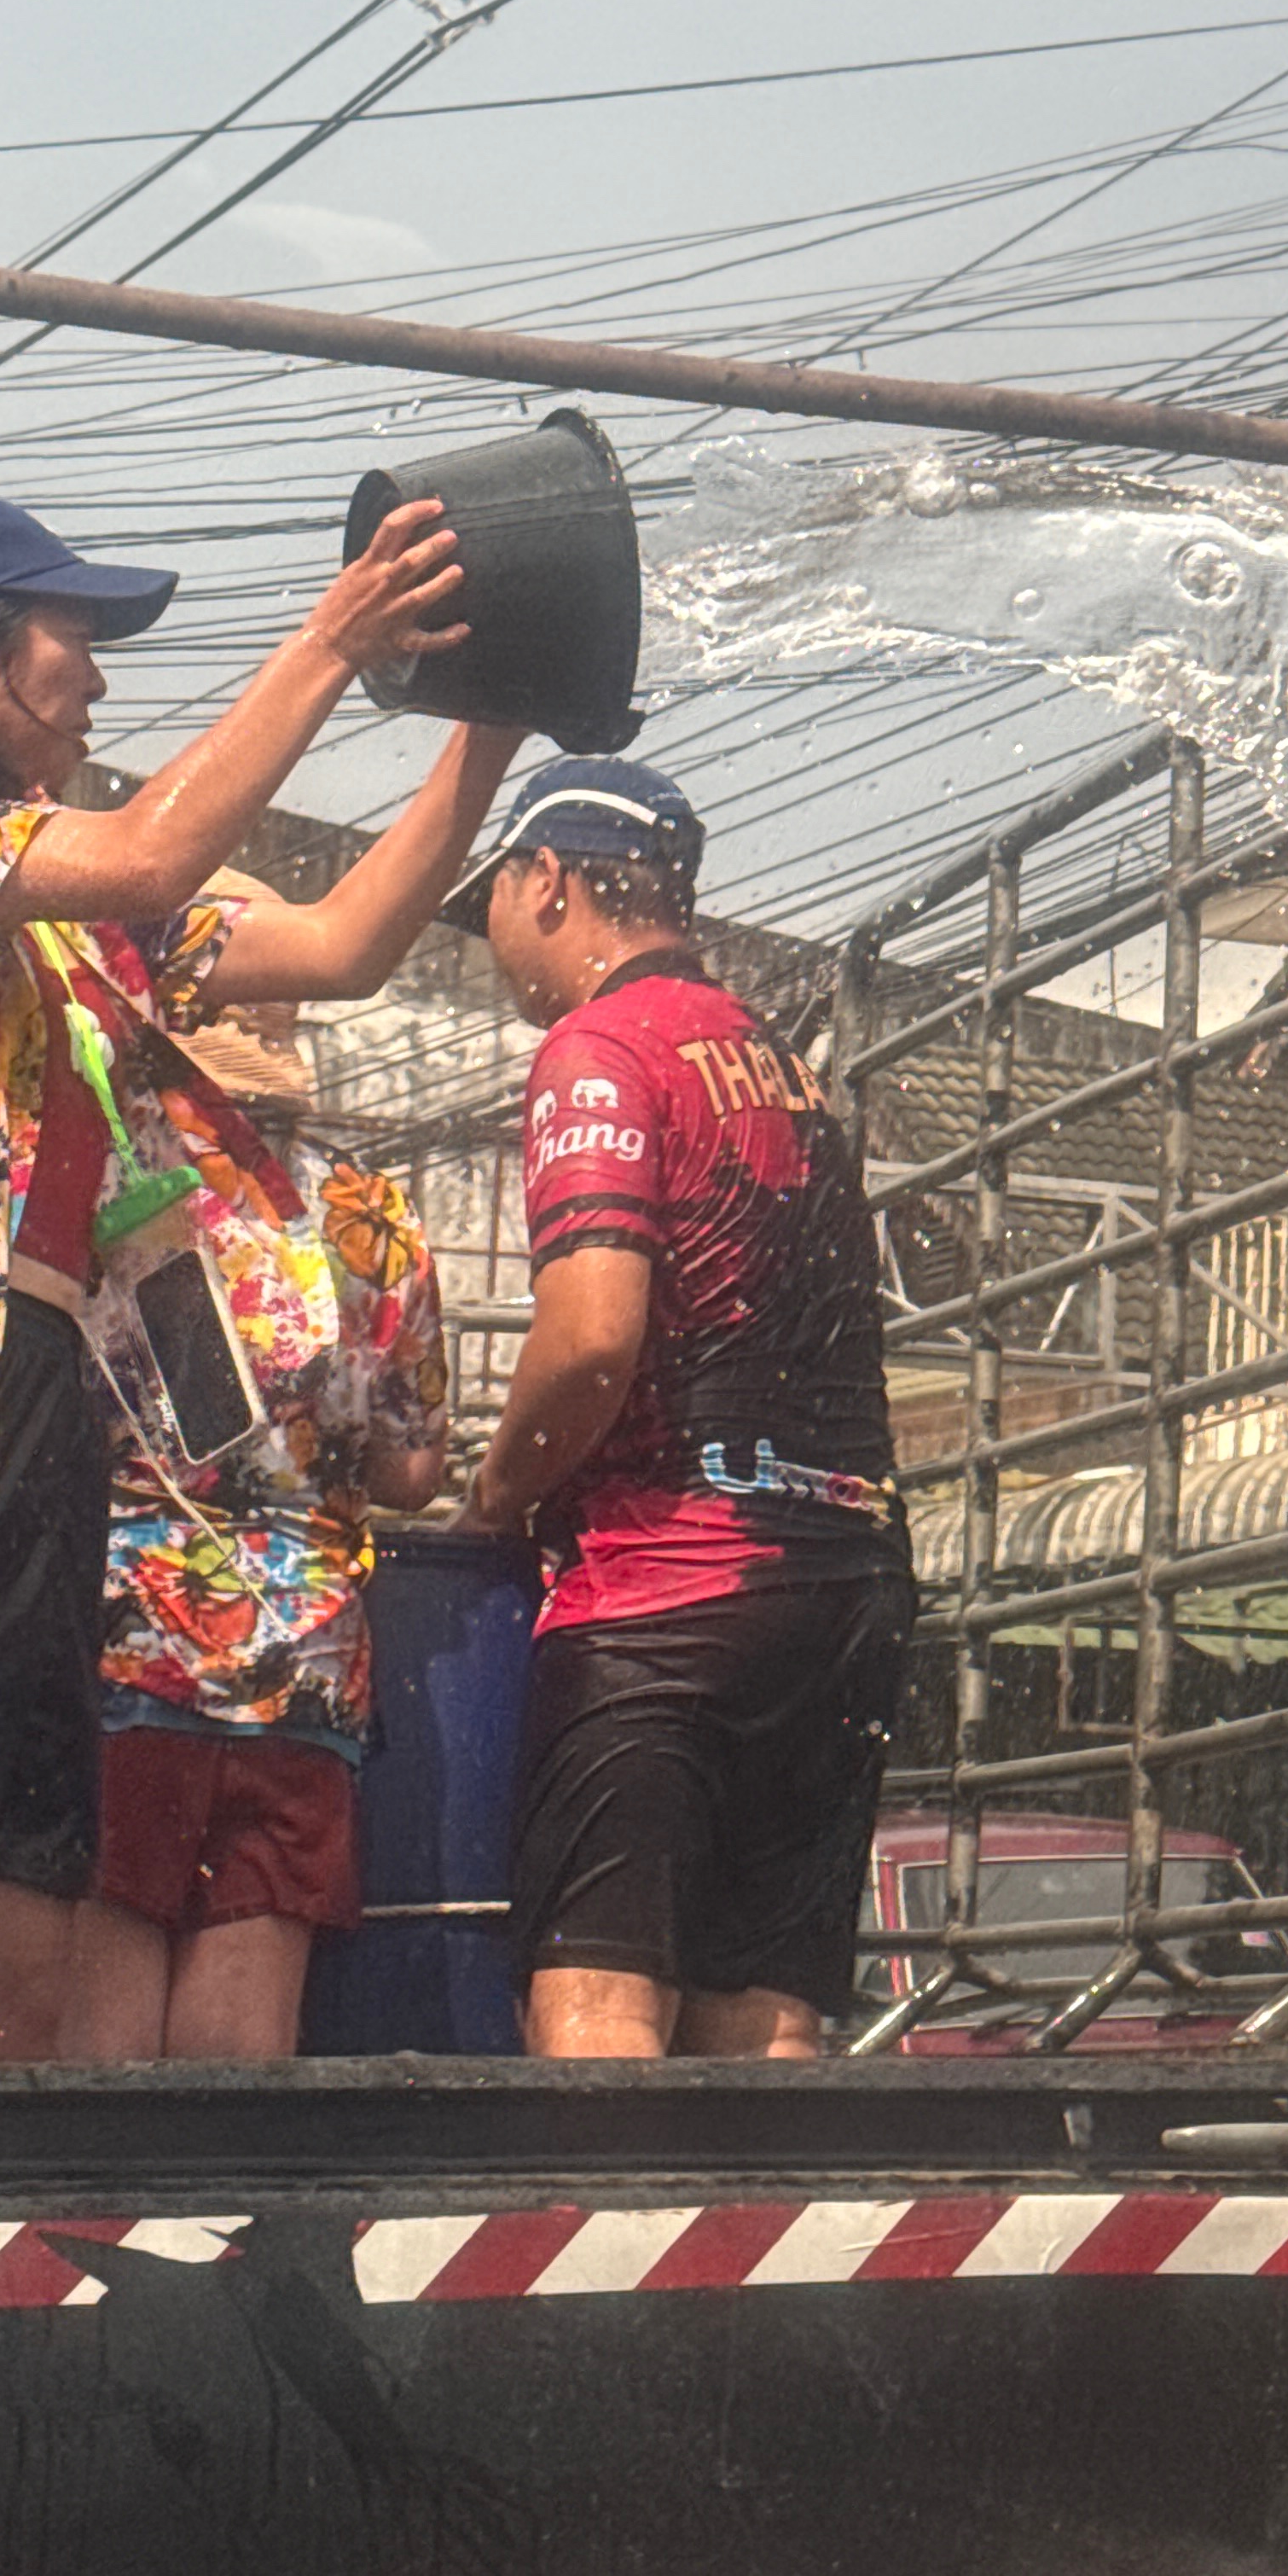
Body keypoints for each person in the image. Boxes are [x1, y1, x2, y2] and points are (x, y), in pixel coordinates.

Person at [0, 474, 517, 2060]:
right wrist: (331, 639)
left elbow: (335, 949)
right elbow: (155, 851)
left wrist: (494, 720)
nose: (96, 676)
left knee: (11, 1912)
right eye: (72, 636)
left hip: (38, 1418)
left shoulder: (63, 913)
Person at [450, 754, 911, 2062]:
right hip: (845, 1586)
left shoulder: (598, 1046)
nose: (493, 942)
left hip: (672, 1588)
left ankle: (602, 2266)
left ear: (548, 883)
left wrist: (500, 1493)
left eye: (492, 899)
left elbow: (593, 1340)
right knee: (765, 2019)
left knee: (598, 2006)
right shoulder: (784, 1066)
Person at [61, 881, 449, 2061]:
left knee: (97, 2038)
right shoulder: (366, 1209)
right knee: (242, 2041)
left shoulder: (96, 1172)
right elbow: (415, 1465)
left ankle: (86, 2243)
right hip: (304, 1665)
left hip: (122, 1636)